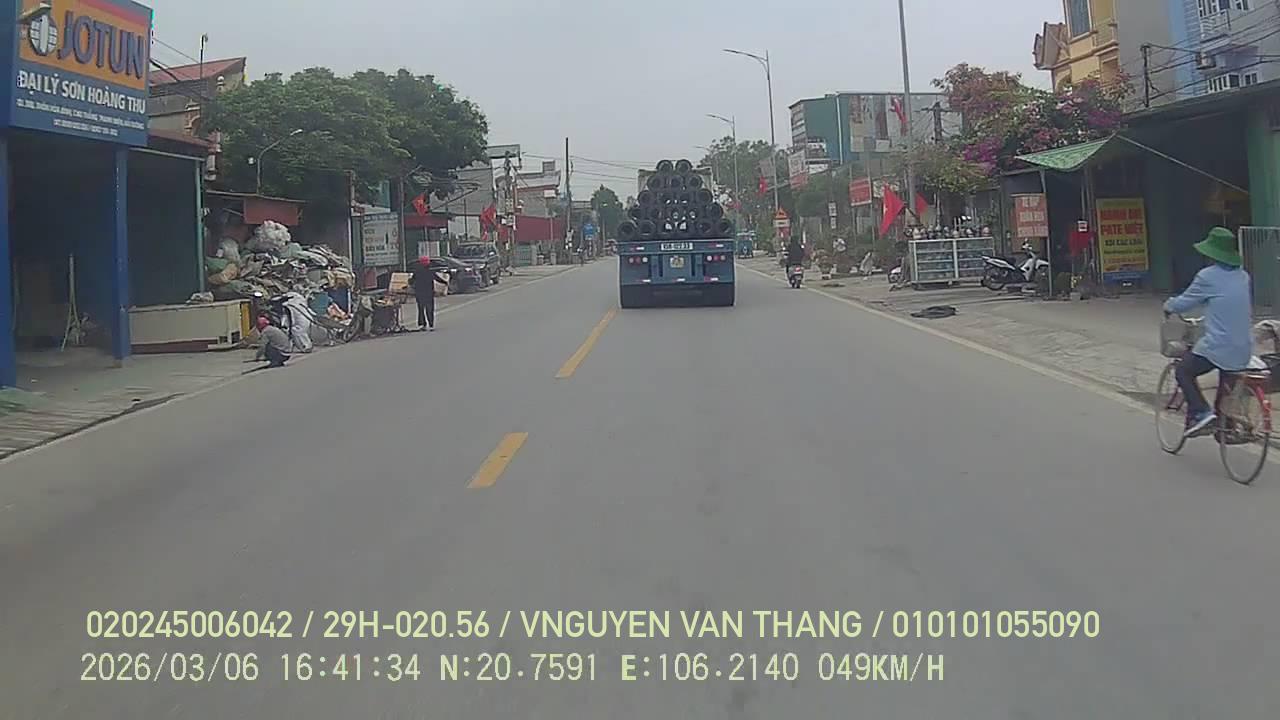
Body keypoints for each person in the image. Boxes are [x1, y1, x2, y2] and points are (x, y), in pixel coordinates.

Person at [1164, 226, 1253, 437]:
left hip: (1218, 346)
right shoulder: (1243, 276)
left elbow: (1185, 302)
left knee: (1183, 371)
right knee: (1227, 379)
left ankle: (1201, 412)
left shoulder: (1207, 276)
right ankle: (1226, 426)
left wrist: (1169, 305)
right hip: (1244, 348)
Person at [410, 256, 448, 331]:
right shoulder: (430, 270)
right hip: (429, 292)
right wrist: (445, 282)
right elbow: (437, 278)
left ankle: (422, 324)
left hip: (419, 292)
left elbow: (411, 280)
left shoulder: (417, 270)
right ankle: (431, 324)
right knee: (429, 309)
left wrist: (409, 284)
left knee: (421, 309)